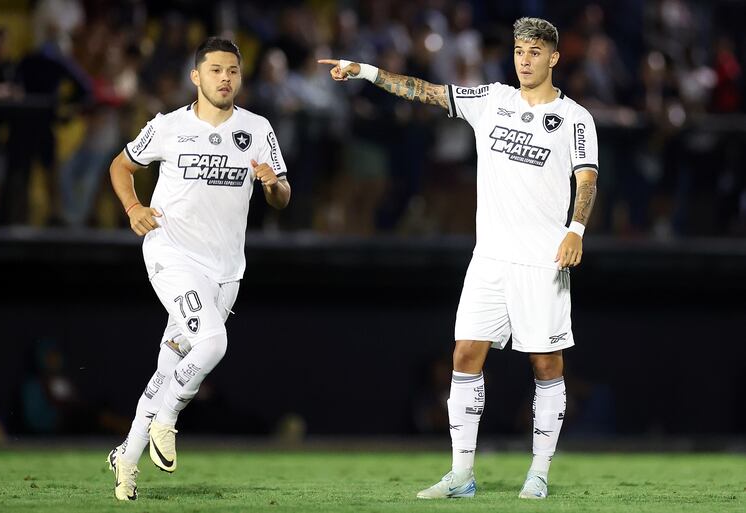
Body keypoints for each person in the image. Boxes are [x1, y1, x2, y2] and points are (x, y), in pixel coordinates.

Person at [319, 16, 598, 500]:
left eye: (535, 51)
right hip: (488, 258)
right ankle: (462, 475)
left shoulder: (575, 117)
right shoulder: (492, 100)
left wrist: (575, 230)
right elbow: (426, 92)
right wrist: (364, 70)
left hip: (542, 260)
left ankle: (538, 474)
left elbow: (587, 178)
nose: (525, 59)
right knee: (465, 356)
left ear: (553, 58)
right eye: (519, 51)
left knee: (546, 365)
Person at [107, 37, 290, 501]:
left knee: (168, 366)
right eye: (215, 70)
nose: (225, 78)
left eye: (232, 71)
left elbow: (282, 195)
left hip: (225, 269)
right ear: (197, 76)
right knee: (212, 342)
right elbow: (120, 166)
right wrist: (132, 207)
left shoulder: (257, 128)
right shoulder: (167, 127)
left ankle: (126, 458)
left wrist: (272, 185)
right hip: (170, 252)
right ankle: (167, 418)